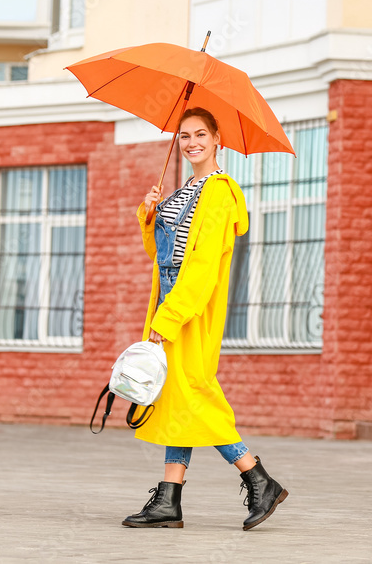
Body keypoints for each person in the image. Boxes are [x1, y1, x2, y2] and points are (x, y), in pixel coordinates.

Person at [123, 107, 288, 531]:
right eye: (184, 135)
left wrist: (171, 316)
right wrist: (150, 216)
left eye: (200, 134)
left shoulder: (218, 191)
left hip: (190, 308)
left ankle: (258, 477)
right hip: (171, 302)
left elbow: (202, 264)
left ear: (218, 140)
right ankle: (168, 500)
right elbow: (161, 258)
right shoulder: (183, 189)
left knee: (193, 393)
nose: (191, 142)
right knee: (177, 398)